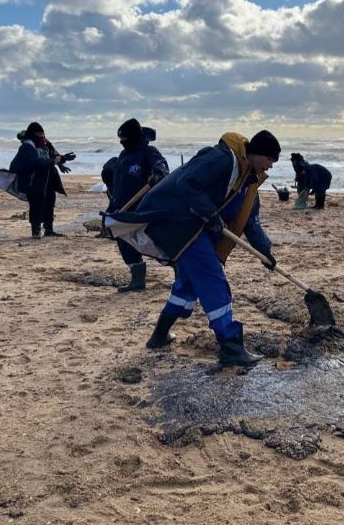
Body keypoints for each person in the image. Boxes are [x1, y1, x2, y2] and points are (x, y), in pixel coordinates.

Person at [104, 130, 281, 366]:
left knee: (188, 283)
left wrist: (265, 252)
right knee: (212, 277)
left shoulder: (248, 181)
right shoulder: (221, 158)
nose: (270, 166)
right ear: (257, 153)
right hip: (174, 221)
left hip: (195, 228)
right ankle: (230, 346)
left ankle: (159, 335)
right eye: (270, 160)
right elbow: (187, 182)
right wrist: (210, 213)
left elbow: (250, 220)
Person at [104, 119, 169, 293]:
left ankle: (179, 271)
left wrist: (159, 172)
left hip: (143, 209)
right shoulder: (124, 156)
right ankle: (137, 279)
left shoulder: (148, 152)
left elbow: (161, 165)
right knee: (124, 241)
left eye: (124, 138)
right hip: (123, 209)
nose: (121, 142)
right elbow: (118, 185)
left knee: (156, 242)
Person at [8, 122, 75, 238]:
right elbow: (35, 163)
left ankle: (49, 229)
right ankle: (36, 231)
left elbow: (53, 154)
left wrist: (62, 160)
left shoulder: (45, 143)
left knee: (50, 201)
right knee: (36, 204)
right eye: (39, 134)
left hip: (47, 179)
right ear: (32, 135)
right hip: (33, 181)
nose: (41, 137)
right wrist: (54, 161)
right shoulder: (26, 147)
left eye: (42, 134)